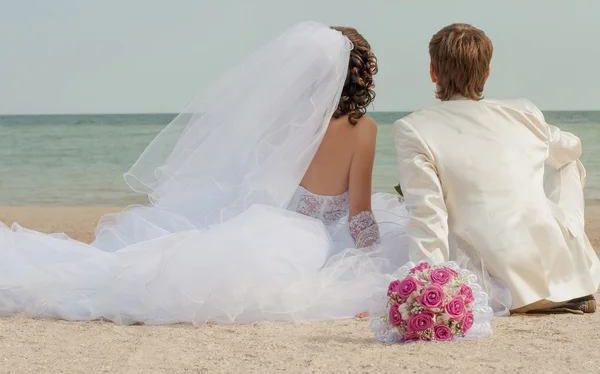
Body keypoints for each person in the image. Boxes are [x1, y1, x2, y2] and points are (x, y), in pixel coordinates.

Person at [0, 22, 421, 326]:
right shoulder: (362, 129)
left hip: (275, 227)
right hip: (317, 238)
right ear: (359, 73)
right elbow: (359, 214)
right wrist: (371, 258)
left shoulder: (286, 123)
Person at [393, 23, 600, 314]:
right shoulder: (521, 112)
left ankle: (519, 286)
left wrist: (428, 285)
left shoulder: (412, 128)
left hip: (490, 272)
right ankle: (569, 269)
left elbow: (427, 213)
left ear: (433, 72)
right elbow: (571, 148)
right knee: (567, 162)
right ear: (487, 73)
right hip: (553, 269)